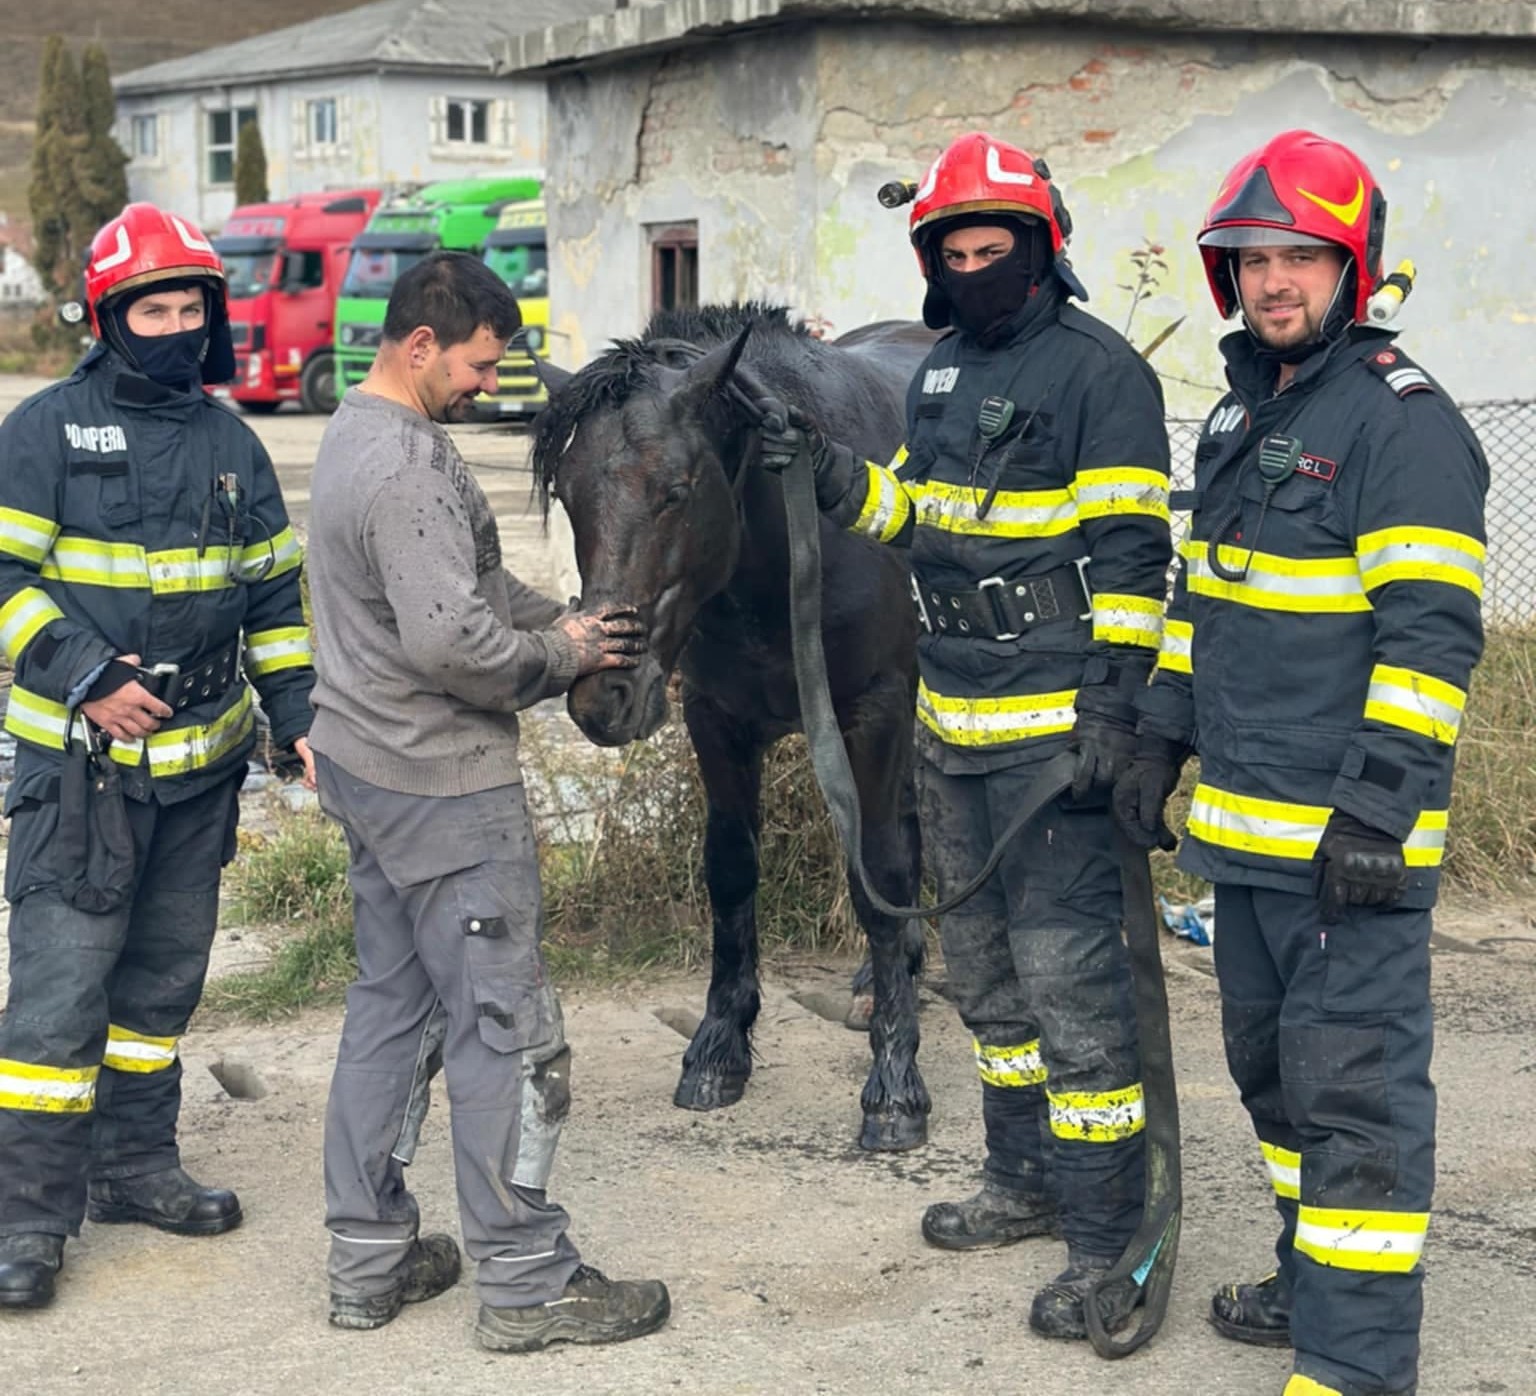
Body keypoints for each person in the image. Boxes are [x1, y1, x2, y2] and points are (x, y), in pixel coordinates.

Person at [756, 131, 1172, 1339]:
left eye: (997, 246)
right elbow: (919, 520)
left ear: (1042, 248)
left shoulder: (1103, 375)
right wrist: (831, 474)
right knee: (987, 983)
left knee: (1074, 991)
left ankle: (1107, 1239)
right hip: (953, 727)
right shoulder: (938, 379)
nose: (978, 265)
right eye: (957, 248)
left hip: (1056, 745)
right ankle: (1023, 1176)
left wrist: (1116, 707)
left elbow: (1138, 560)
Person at [1113, 130, 1487, 1396]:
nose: (1275, 282)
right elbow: (1198, 605)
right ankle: (1304, 1283)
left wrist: (1380, 812)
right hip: (1249, 843)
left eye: (1302, 259)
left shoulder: (1403, 426)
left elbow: (1431, 638)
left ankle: (1358, 1364)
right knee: (1273, 1082)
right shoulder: (1238, 414)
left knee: (1354, 1103)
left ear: (1353, 265)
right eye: (1253, 259)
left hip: (1349, 851)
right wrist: (1154, 742)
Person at [306, 250, 670, 1351]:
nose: (483, 384)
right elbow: (456, 641)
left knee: (394, 1010)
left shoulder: (354, 433)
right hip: (442, 787)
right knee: (507, 1031)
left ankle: (366, 1260)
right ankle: (526, 1281)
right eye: (474, 364)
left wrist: (577, 617)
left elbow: (472, 584)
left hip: (371, 770)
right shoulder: (409, 469)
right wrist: (559, 656)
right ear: (421, 345)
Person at [0, 203, 316, 1309]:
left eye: (192, 305)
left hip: (201, 778)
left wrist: (299, 713)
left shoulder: (233, 443)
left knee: (159, 991)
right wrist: (87, 673)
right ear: (110, 315)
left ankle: (133, 1170)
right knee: (53, 1004)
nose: (176, 324)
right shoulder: (44, 430)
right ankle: (28, 1220)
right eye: (154, 306)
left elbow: (274, 593)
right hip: (79, 780)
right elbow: (3, 582)